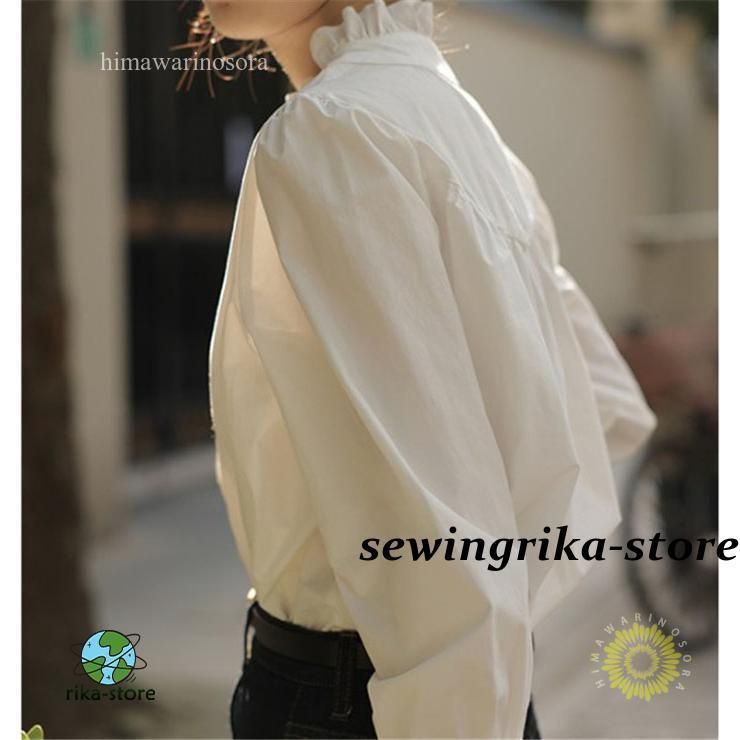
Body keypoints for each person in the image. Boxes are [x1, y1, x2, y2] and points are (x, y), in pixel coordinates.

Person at [204, 0, 657, 737]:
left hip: (360, 702)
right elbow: (603, 403)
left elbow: (441, 544)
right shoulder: (458, 122)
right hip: (472, 692)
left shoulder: (334, 130)